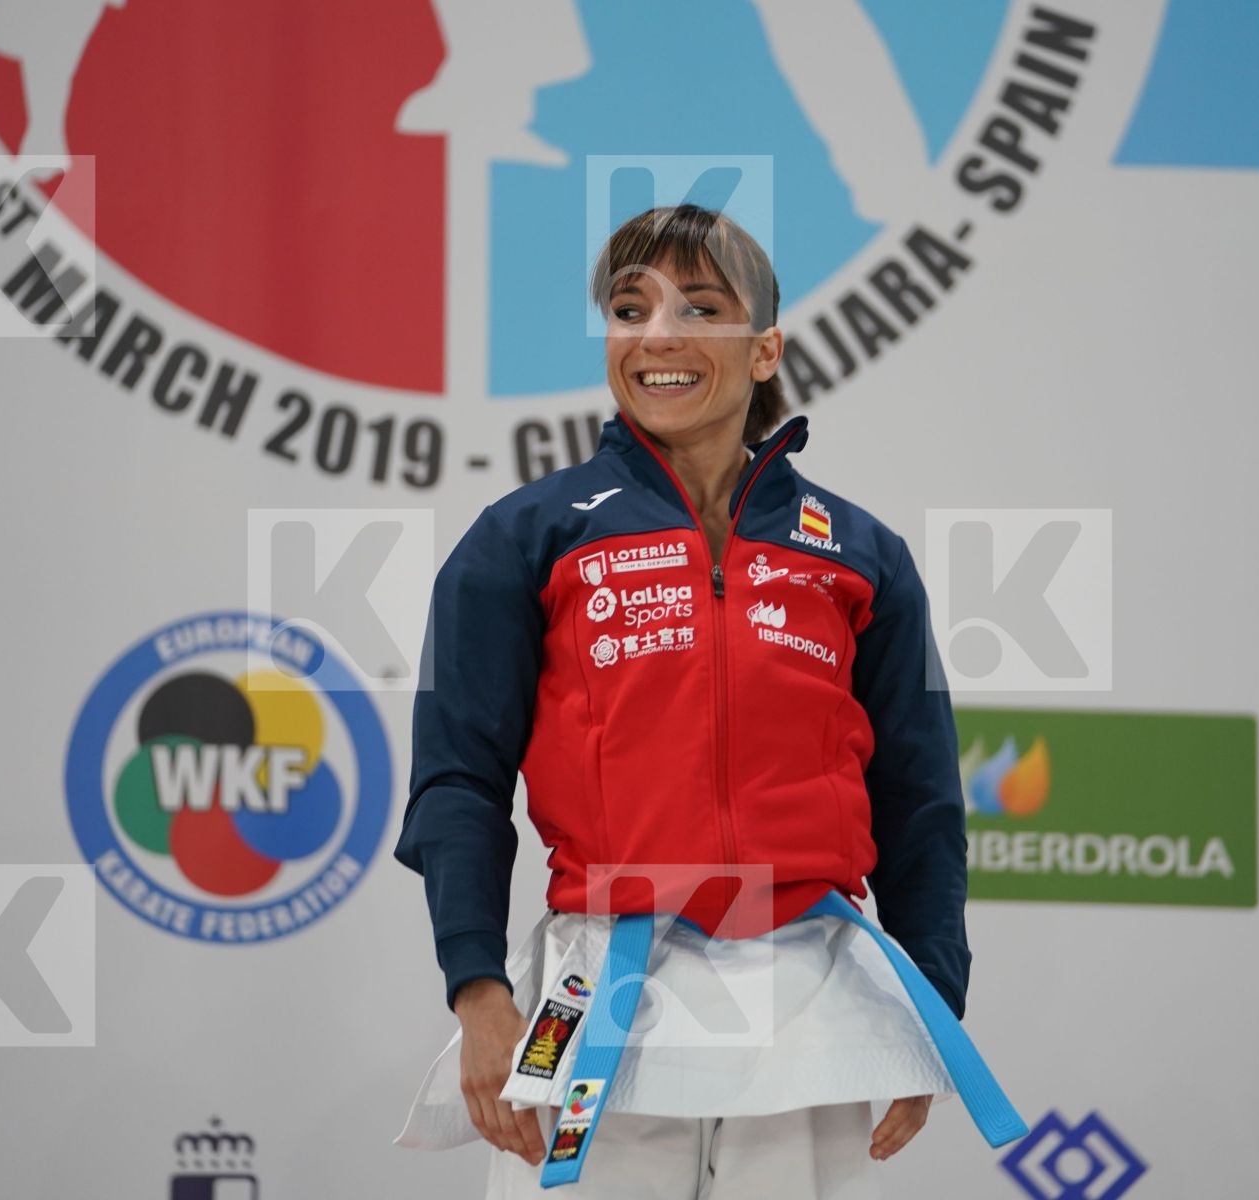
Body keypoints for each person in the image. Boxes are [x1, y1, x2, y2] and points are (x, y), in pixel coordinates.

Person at [393, 204, 1018, 1197]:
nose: (657, 336)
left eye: (700, 308)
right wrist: (478, 995)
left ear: (766, 348)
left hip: (812, 1001)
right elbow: (458, 783)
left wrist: (929, 999)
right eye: (630, 308)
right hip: (597, 988)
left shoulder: (859, 554)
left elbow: (922, 802)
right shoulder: (524, 537)